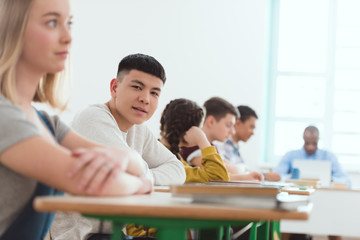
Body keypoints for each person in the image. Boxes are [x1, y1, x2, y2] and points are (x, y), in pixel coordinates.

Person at [0, 0, 152, 239]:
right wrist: (140, 184)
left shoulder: (48, 123)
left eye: (68, 23)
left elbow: (133, 164)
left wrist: (125, 160)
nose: (68, 37)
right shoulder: (4, 117)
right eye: (52, 22)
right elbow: (97, 184)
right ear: (12, 29)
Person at [50, 54, 186, 240]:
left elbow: (177, 169)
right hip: (84, 236)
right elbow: (128, 173)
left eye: (154, 93)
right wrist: (142, 178)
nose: (145, 98)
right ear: (115, 87)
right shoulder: (92, 118)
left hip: (114, 233)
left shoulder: (139, 129)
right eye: (137, 87)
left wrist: (147, 179)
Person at [182, 97, 264, 182]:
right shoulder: (192, 145)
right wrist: (242, 168)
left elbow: (224, 175)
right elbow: (226, 171)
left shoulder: (212, 146)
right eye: (228, 125)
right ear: (211, 121)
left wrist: (245, 176)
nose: (232, 131)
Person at [159, 98, 229, 183]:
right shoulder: (166, 160)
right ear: (191, 131)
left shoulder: (165, 152)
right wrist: (202, 140)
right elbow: (219, 178)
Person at [214, 105, 280, 181]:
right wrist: (263, 176)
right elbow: (234, 172)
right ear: (237, 123)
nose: (253, 132)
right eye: (251, 127)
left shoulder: (234, 147)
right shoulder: (224, 145)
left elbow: (243, 170)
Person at [274, 125, 351, 188]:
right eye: (307, 143)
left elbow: (346, 181)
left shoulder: (329, 156)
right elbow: (276, 176)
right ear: (303, 139)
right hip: (296, 193)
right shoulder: (291, 155)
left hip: (323, 195)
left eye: (314, 143)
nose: (310, 147)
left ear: (318, 139)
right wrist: (291, 178)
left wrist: (330, 180)